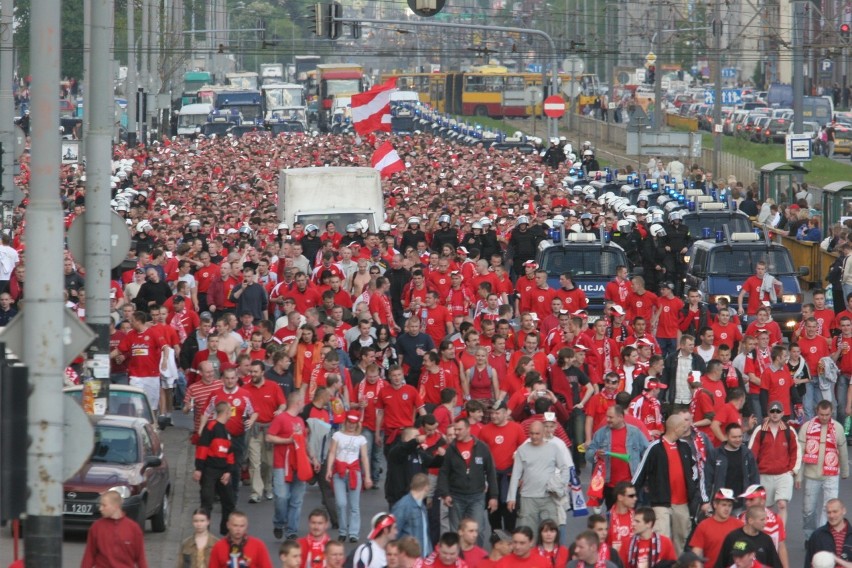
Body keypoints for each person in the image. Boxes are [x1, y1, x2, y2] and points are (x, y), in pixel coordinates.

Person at [632, 414, 710, 552]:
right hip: (661, 502)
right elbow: (640, 473)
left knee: (682, 539)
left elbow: (696, 470)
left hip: (682, 503)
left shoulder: (685, 446)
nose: (685, 430)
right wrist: (630, 495)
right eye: (683, 427)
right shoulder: (655, 448)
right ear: (675, 428)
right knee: (663, 539)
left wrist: (696, 492)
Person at [436, 418, 498, 545]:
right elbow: (444, 473)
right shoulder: (451, 449)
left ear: (468, 429)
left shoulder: (482, 447)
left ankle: (477, 560)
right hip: (456, 496)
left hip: (477, 497)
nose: (457, 432)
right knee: (456, 532)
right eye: (455, 429)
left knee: (478, 531)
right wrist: (445, 494)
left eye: (460, 429)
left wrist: (493, 496)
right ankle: (457, 561)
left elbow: (491, 471)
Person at [506, 420, 571, 532]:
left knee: (550, 533)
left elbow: (565, 468)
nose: (534, 436)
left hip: (549, 497)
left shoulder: (554, 448)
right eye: (531, 433)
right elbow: (516, 474)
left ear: (543, 433)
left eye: (537, 434)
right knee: (528, 533)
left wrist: (561, 485)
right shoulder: (522, 450)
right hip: (527, 497)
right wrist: (511, 497)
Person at [798, 399, 850, 538]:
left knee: (829, 509)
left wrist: (845, 471)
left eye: (827, 415)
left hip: (831, 474)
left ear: (831, 413)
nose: (824, 418)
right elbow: (800, 453)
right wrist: (798, 475)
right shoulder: (807, 427)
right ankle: (810, 537)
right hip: (811, 474)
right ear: (817, 412)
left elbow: (843, 451)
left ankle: (822, 538)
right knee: (808, 510)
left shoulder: (838, 428)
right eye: (822, 414)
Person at [586, 405, 650, 509]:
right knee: (612, 515)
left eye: (611, 417)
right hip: (609, 485)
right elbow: (588, 455)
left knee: (630, 516)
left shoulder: (635, 432)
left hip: (631, 484)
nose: (607, 420)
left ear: (620, 417)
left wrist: (646, 478)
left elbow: (647, 453)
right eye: (607, 417)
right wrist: (596, 454)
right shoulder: (600, 433)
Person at [267, 390, 310, 541]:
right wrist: (287, 441)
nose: (304, 404)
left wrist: (312, 458)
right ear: (298, 403)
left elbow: (304, 442)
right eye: (303, 401)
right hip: (281, 464)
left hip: (299, 464)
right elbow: (269, 436)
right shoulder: (281, 418)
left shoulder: (300, 420)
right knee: (281, 497)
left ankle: (291, 530)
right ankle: (279, 523)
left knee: (296, 500)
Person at [747, 402, 799, 525]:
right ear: (768, 413)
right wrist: (753, 473)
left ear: (782, 413)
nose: (775, 414)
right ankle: (766, 535)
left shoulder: (789, 430)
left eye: (778, 411)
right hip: (764, 475)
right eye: (772, 411)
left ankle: (780, 534)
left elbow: (796, 451)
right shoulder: (760, 431)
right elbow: (751, 454)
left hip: (783, 475)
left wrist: (792, 471)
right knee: (765, 508)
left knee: (782, 504)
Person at [325, 413, 373, 542]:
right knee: (341, 503)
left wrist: (367, 476)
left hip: (353, 471)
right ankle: (342, 530)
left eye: (354, 423)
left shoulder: (361, 439)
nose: (351, 425)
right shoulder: (337, 436)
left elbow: (364, 457)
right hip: (339, 472)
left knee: (354, 505)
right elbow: (332, 452)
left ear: (357, 424)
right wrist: (329, 469)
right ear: (345, 422)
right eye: (349, 422)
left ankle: (353, 533)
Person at [194, 400, 236, 536]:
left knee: (229, 501)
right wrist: (199, 469)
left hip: (223, 471)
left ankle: (225, 530)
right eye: (230, 412)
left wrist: (228, 471)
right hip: (209, 470)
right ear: (227, 412)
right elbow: (202, 448)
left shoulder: (226, 431)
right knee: (207, 501)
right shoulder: (211, 426)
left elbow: (230, 453)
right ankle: (204, 532)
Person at [80, 490, 148, 568]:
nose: (100, 509)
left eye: (104, 505)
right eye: (100, 505)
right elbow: (89, 555)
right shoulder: (96, 527)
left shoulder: (133, 529)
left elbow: (140, 558)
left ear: (115, 506)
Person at [689, 488, 744, 568]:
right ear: (715, 504)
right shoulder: (704, 526)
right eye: (724, 505)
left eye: (730, 505)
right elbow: (695, 554)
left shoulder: (739, 525)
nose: (727, 509)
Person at [705, 423, 760, 502]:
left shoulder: (747, 454)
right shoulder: (715, 454)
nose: (738, 440)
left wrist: (754, 496)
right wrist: (706, 501)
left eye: (740, 436)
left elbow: (754, 477)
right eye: (734, 437)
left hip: (742, 502)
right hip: (721, 502)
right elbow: (707, 479)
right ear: (726, 437)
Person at [715, 506, 782, 568]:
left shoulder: (766, 540)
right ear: (750, 521)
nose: (765, 522)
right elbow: (721, 563)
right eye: (762, 520)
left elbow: (775, 564)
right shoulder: (732, 537)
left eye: (765, 519)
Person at [208, 511, 273, 568]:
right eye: (235, 525)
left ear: (246, 526)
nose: (238, 529)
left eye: (242, 526)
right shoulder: (218, 546)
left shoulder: (258, 545)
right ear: (228, 525)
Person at [392, 473, 432, 557]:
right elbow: (394, 534)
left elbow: (425, 534)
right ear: (426, 487)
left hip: (422, 557)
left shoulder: (422, 506)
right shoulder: (403, 506)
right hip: (409, 557)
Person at [805, 498, 852, 568]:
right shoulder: (817, 535)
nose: (831, 516)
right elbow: (808, 563)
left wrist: (835, 559)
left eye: (835, 511)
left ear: (843, 511)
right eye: (828, 512)